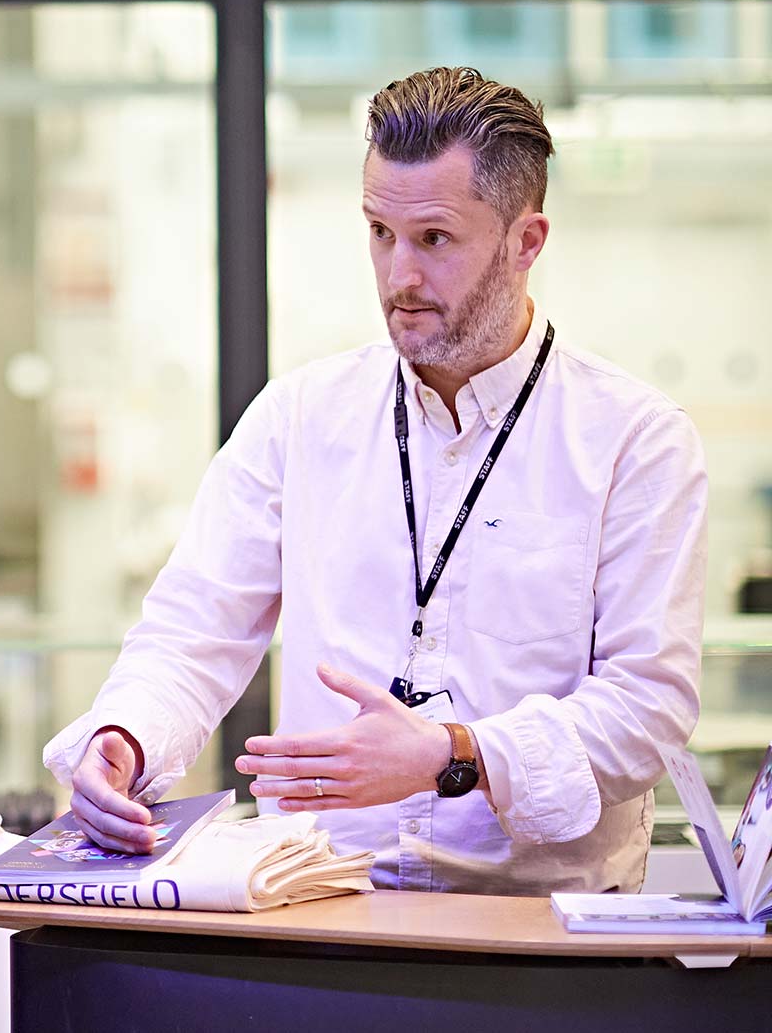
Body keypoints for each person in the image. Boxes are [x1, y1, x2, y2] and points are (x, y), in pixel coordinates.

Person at [44, 66, 707, 895]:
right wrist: (127, 735)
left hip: (538, 931)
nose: (399, 278)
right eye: (379, 232)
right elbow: (193, 630)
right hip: (320, 907)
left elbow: (649, 709)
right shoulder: (299, 417)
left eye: (434, 239)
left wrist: (455, 753)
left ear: (525, 242)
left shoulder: (635, 442)